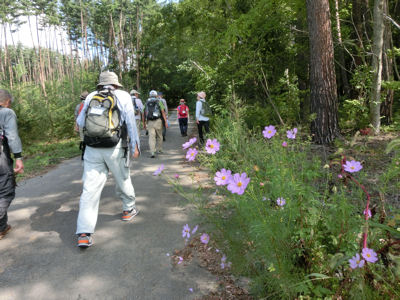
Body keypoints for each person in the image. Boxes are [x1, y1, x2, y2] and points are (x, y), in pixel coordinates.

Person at [75, 71, 140, 248]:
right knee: (123, 178)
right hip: (114, 147)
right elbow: (130, 123)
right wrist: (135, 146)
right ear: (116, 84)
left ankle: (84, 233)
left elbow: (80, 123)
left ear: (100, 84)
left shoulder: (90, 96)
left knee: (89, 189)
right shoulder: (123, 96)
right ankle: (128, 209)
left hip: (91, 148)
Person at [0, 89, 24, 240]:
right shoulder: (6, 113)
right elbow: (12, 136)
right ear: (7, 101)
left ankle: (2, 227)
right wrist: (18, 158)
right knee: (6, 191)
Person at [144, 90, 168, 158]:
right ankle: (159, 149)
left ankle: (152, 152)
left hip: (149, 122)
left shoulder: (146, 102)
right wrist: (165, 121)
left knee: (151, 137)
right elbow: (163, 111)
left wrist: (144, 123)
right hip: (158, 121)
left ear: (149, 95)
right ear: (156, 95)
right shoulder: (159, 101)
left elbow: (143, 113)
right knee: (160, 136)